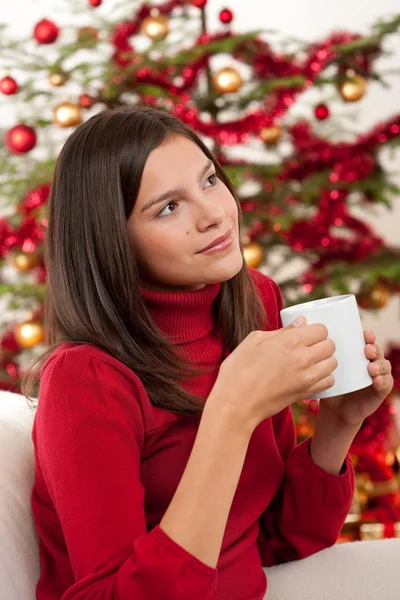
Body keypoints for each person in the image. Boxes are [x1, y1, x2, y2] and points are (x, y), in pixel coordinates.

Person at [25, 105, 394, 600]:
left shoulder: (252, 302)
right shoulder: (85, 380)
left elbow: (277, 542)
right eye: (168, 208)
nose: (214, 213)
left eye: (209, 180)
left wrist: (337, 426)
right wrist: (231, 414)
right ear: (114, 241)